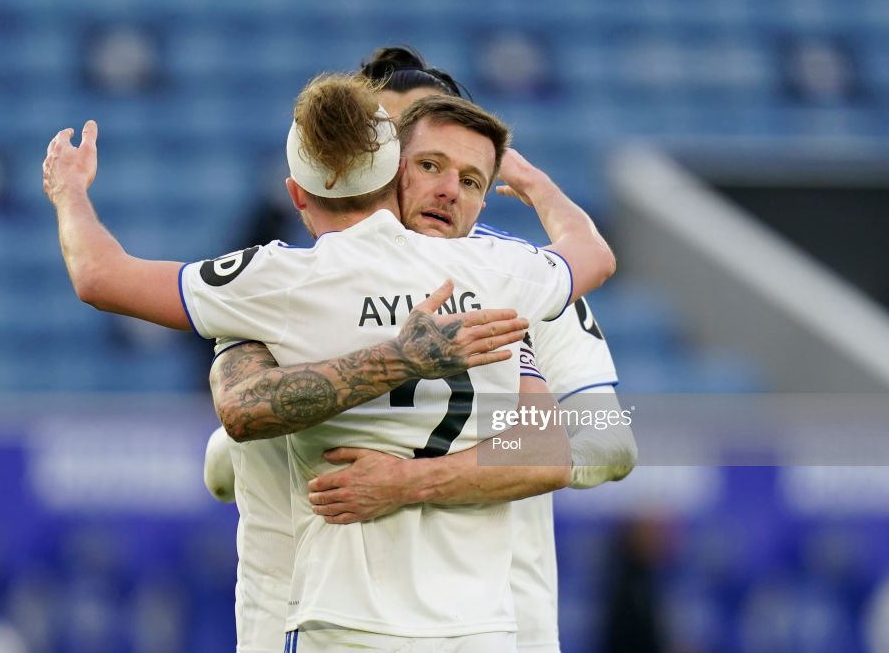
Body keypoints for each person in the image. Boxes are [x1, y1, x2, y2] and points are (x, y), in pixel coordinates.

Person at [44, 74, 614, 651]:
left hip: (342, 619)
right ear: (393, 172)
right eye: (431, 166)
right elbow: (592, 256)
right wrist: (537, 186)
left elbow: (99, 276)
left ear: (298, 194)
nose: (447, 190)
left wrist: (70, 194)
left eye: (469, 179)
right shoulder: (503, 275)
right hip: (479, 628)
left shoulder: (278, 284)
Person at [204, 46, 635, 653]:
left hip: (492, 621)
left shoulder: (520, 278)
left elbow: (604, 441)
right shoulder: (288, 283)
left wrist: (414, 480)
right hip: (301, 624)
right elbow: (237, 428)